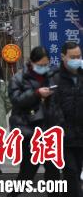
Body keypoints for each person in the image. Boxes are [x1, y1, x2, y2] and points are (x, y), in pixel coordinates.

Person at [7, 46, 61, 196]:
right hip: (29, 130)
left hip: (49, 129)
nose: (44, 68)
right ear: (32, 62)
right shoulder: (19, 77)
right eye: (41, 65)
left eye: (46, 64)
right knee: (27, 173)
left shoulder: (52, 75)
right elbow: (16, 100)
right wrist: (36, 94)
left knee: (53, 172)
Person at [52, 41, 83, 197]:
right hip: (64, 138)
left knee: (76, 175)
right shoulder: (55, 79)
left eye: (79, 56)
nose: (77, 59)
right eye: (73, 57)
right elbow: (51, 107)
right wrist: (61, 127)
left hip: (81, 136)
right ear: (63, 57)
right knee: (71, 174)